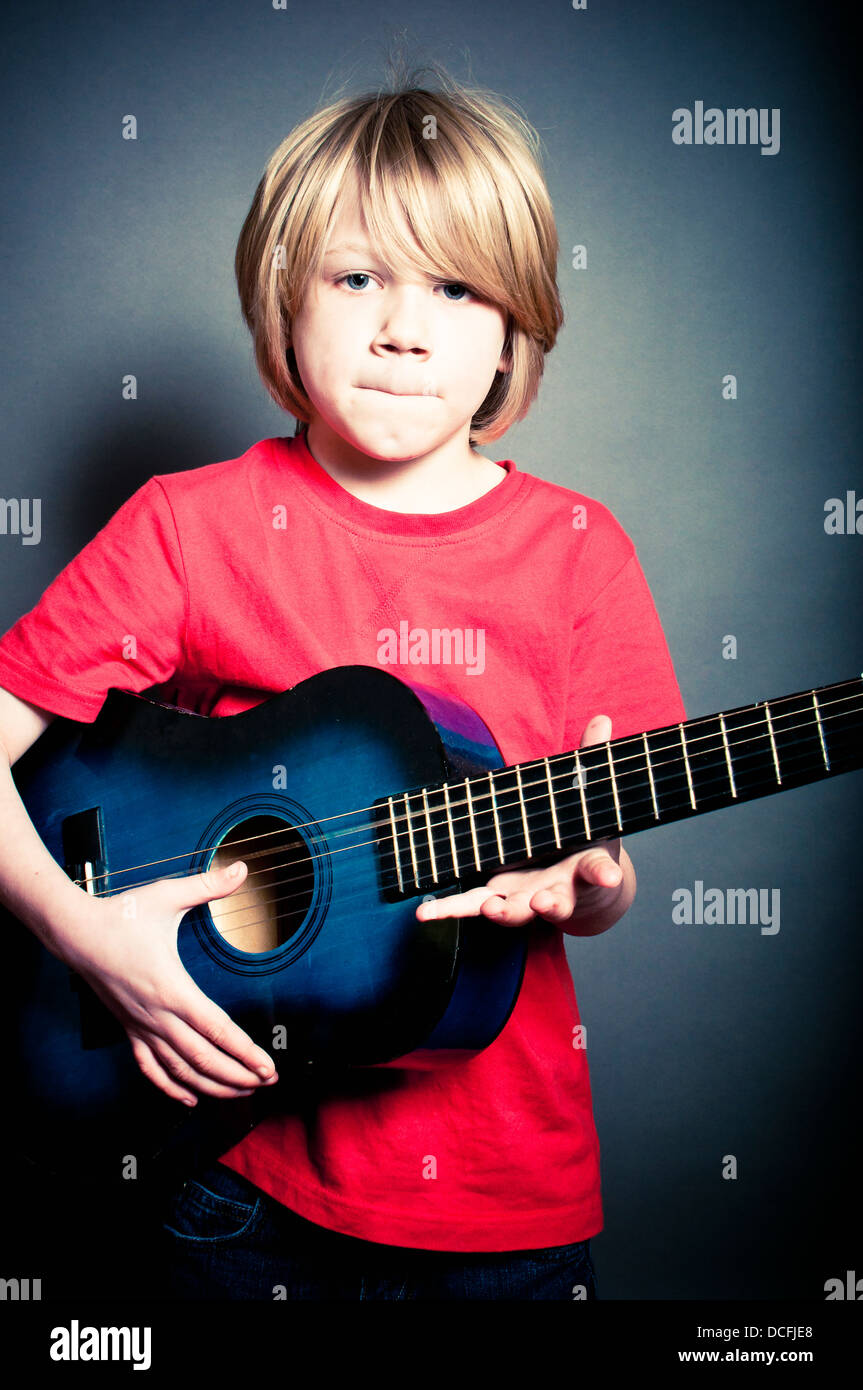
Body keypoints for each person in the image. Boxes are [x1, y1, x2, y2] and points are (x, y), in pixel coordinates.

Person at [0, 66, 686, 1300]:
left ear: (511, 327)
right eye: (358, 277)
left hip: (505, 1209)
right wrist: (84, 934)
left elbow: (603, 882)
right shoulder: (190, 526)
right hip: (232, 1185)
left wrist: (595, 883)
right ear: (284, 297)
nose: (402, 328)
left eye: (456, 286)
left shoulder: (582, 552)